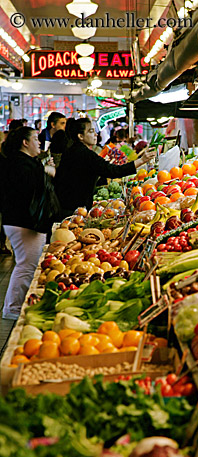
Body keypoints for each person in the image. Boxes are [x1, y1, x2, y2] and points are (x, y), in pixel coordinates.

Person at [0, 127, 56, 320]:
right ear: (25, 142)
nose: (39, 142)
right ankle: (12, 309)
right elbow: (27, 188)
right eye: (35, 138)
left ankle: (15, 307)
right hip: (22, 223)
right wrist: (45, 171)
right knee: (26, 266)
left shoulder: (25, 162)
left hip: (22, 222)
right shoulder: (18, 163)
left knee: (26, 265)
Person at [54, 118, 156, 219]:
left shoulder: (72, 151)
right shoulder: (85, 154)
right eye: (91, 131)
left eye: (95, 131)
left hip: (63, 205)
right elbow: (113, 170)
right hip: (73, 210)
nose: (95, 135)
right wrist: (141, 160)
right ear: (80, 136)